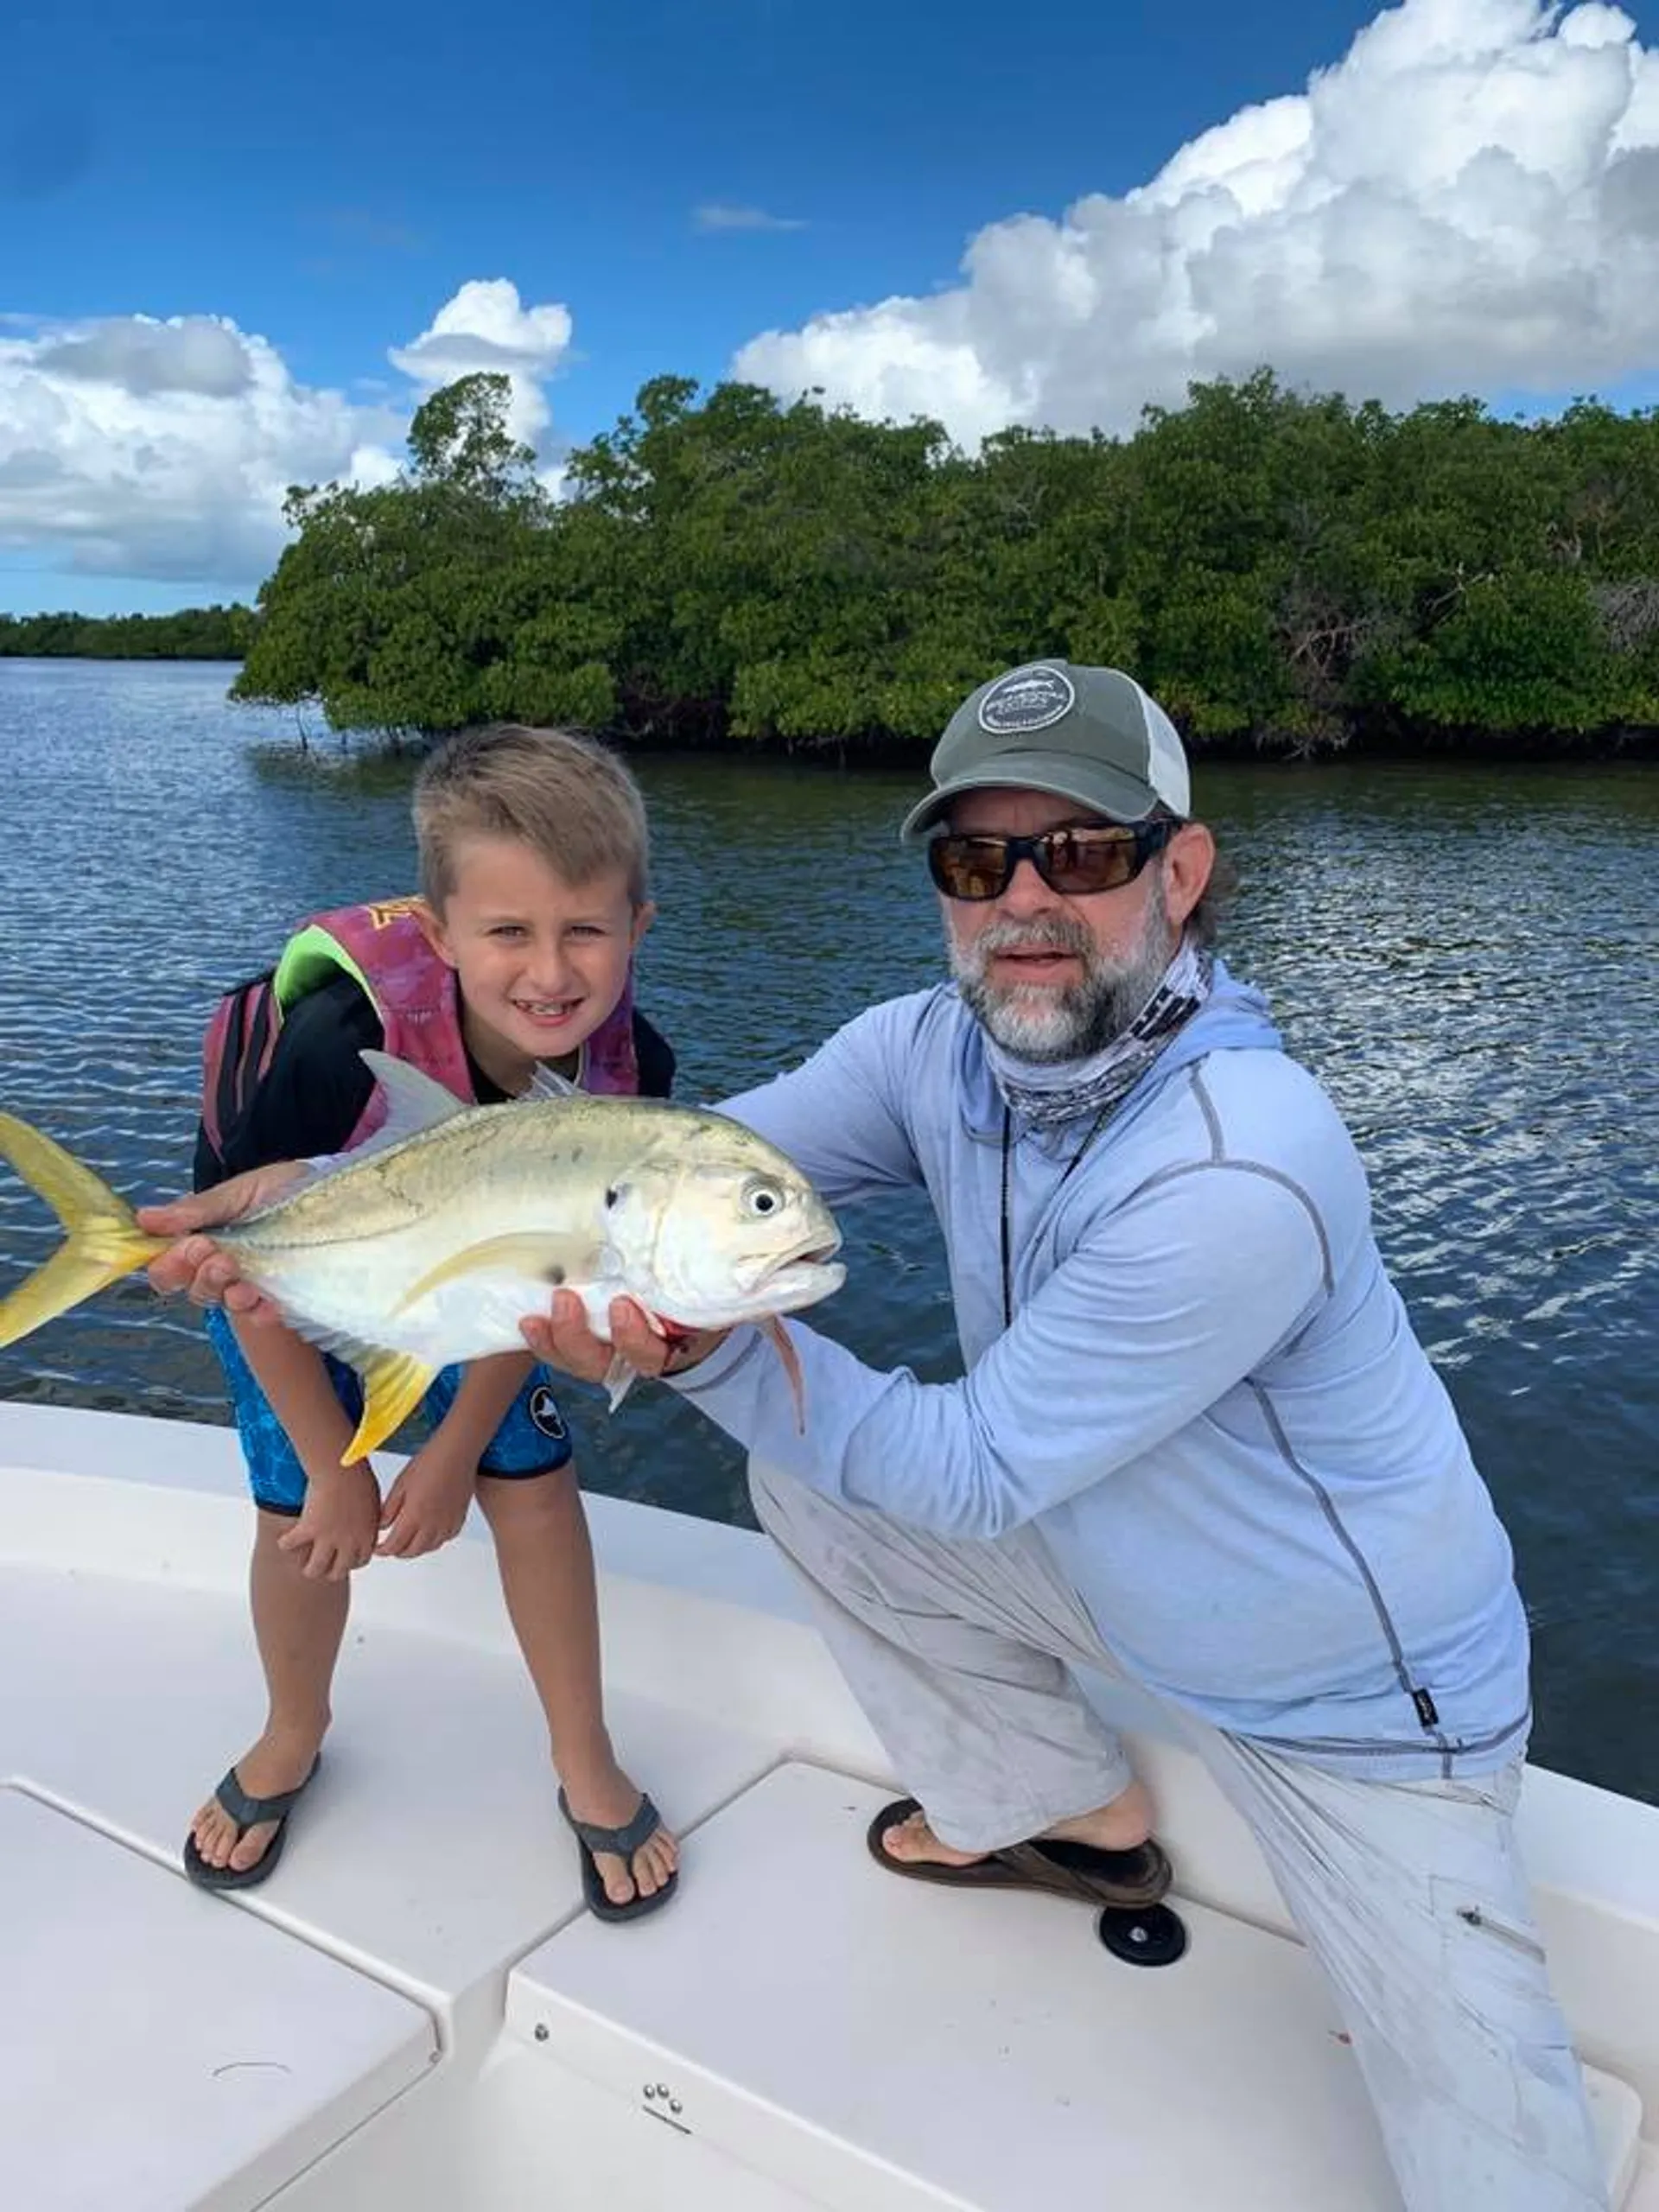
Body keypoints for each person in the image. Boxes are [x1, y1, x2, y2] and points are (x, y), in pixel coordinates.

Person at [147, 667, 1607, 2208]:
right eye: (978, 863)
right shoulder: (935, 1050)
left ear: (1181, 873)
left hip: (1345, 1698)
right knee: (816, 1488)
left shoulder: (1241, 1163)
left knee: (1493, 2145)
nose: (1025, 902)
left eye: (1085, 854)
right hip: (1112, 1568)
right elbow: (649, 1166)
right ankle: (1067, 1817)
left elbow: (967, 1474)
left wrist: (691, 1338)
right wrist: (323, 1198)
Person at [166, 723, 680, 1922]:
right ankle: (293, 1733)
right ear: (440, 933)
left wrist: (448, 1455)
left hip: (482, 1289)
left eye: (585, 930)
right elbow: (250, 1278)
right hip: (293, 1284)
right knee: (298, 1517)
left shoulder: (626, 1072)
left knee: (535, 1490)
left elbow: (544, 1286)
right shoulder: (331, 1056)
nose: (550, 973)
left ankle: (582, 1760)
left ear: (637, 930)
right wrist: (335, 1467)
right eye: (508, 933)